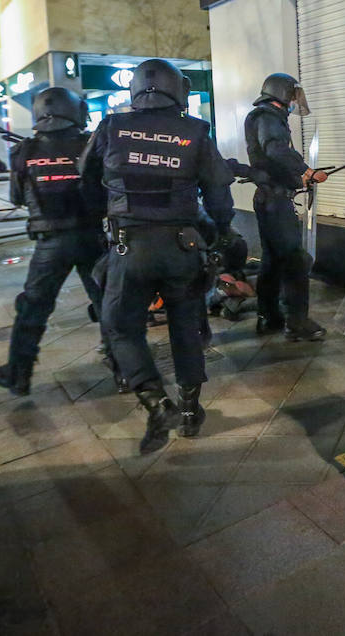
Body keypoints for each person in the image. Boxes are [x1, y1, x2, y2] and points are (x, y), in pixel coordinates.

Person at [81, 59, 236, 453]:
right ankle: (189, 412)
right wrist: (219, 233)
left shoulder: (111, 127)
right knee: (186, 327)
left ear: (135, 89)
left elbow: (87, 184)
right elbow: (218, 193)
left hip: (128, 246)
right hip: (182, 247)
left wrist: (107, 217)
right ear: (177, 89)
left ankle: (156, 402)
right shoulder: (196, 131)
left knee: (119, 326)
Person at [0, 88, 110, 396]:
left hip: (50, 242)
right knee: (107, 302)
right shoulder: (91, 145)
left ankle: (18, 374)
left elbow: (17, 197)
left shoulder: (23, 151)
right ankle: (123, 366)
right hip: (90, 236)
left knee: (33, 308)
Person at [243, 73, 328, 342]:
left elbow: (272, 162)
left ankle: (269, 317)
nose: (294, 101)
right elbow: (275, 150)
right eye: (292, 96)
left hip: (269, 198)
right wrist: (307, 171)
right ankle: (297, 321)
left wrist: (297, 179)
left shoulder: (263, 116)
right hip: (275, 202)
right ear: (281, 94)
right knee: (295, 262)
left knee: (272, 261)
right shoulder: (269, 118)